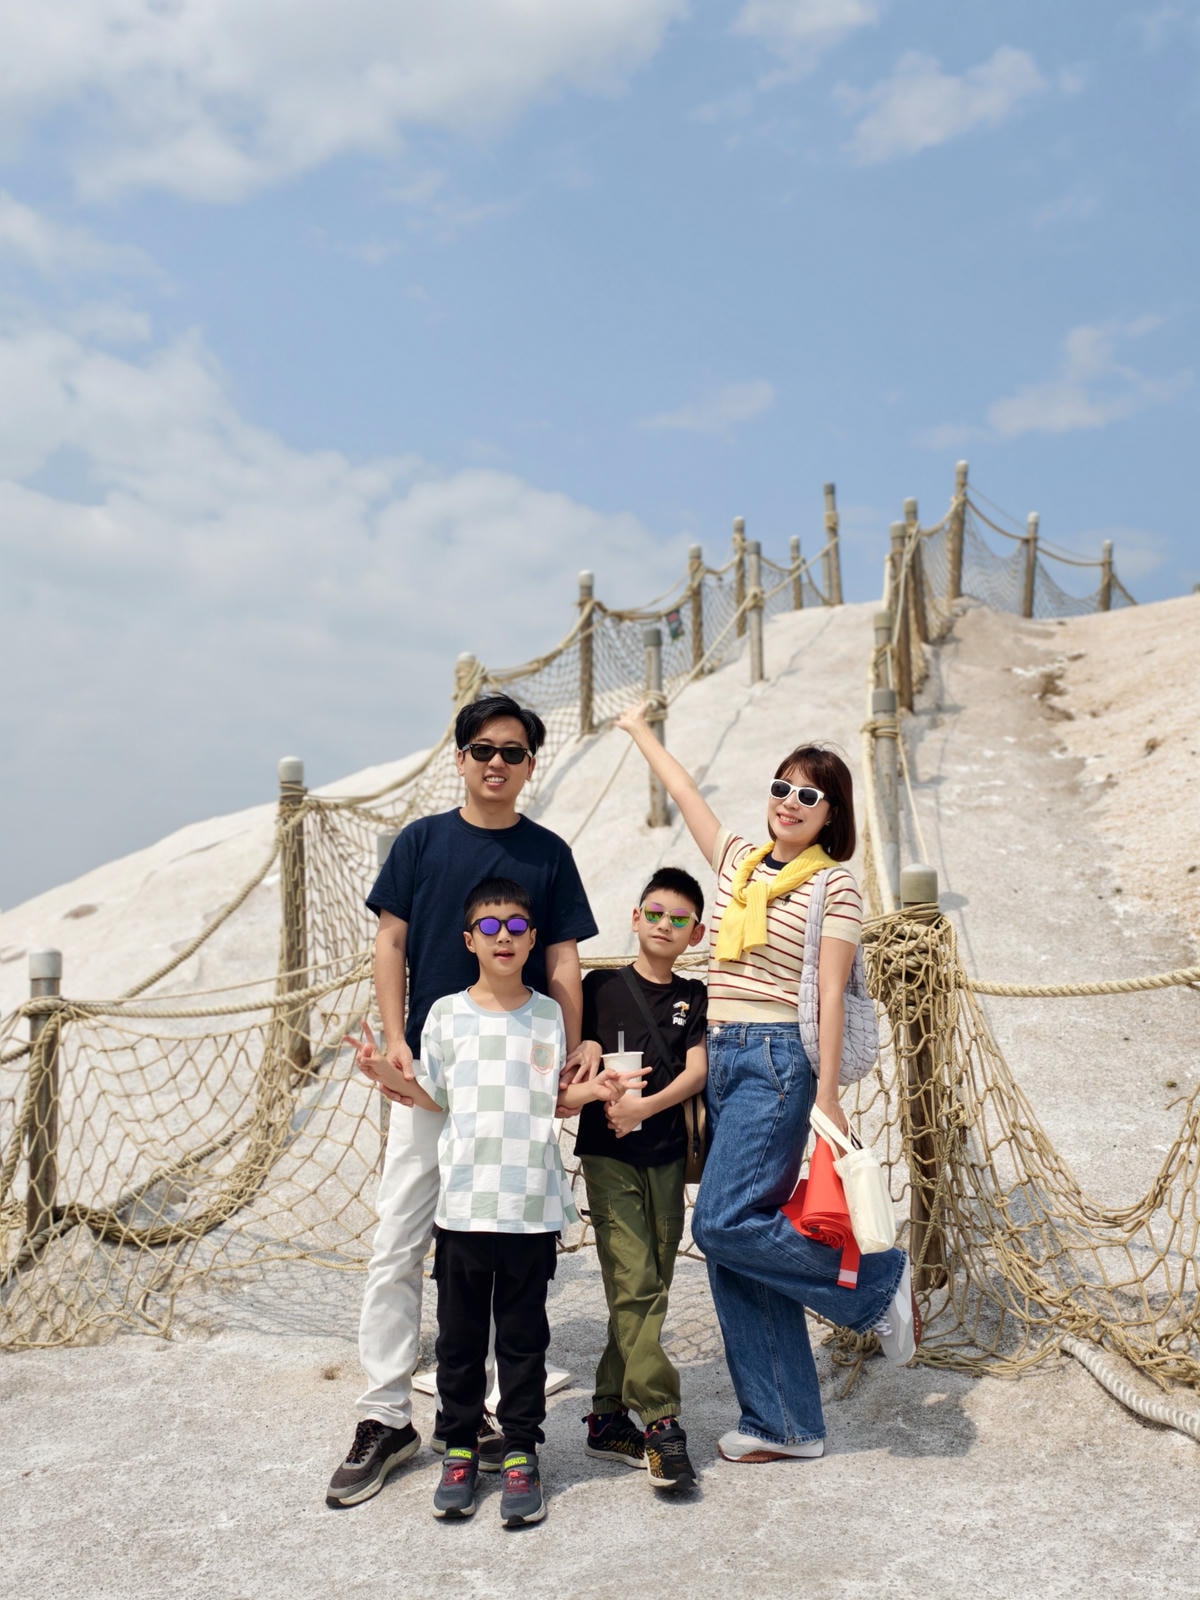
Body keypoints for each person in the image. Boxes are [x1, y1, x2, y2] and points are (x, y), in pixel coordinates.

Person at [614, 704, 919, 1463]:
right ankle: (783, 1423)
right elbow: (687, 794)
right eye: (781, 787)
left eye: (808, 795)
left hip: (780, 1059)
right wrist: (640, 730)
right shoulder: (738, 863)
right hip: (722, 1055)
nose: (789, 801)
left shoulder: (835, 887)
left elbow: (831, 992)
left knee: (721, 1223)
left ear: (831, 814)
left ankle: (876, 1281)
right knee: (734, 1247)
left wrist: (828, 1094)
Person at [325, 693, 599, 1510]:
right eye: (483, 749)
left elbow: (563, 960)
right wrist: (395, 1035)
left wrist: (571, 1050)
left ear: (530, 764)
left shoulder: (548, 853)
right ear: (460, 758)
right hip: (430, 1071)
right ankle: (385, 1414)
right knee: (399, 1240)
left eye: (512, 751)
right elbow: (391, 940)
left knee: (505, 1245)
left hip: (513, 1081)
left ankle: (492, 1421)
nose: (496, 763)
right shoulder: (421, 841)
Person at [364, 877, 617, 1526]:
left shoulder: (550, 1016)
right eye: (490, 927)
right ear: (468, 940)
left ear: (533, 940)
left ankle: (523, 1452)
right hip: (463, 1210)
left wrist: (593, 1094)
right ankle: (457, 1450)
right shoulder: (445, 1015)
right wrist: (388, 1075)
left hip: (530, 1208)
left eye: (516, 927)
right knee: (458, 1343)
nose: (504, 937)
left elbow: (556, 1100)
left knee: (524, 1343)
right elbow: (434, 1098)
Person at [574, 867, 708, 1490]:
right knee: (635, 1282)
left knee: (650, 1283)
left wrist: (643, 1108)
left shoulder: (694, 995)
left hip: (666, 1153)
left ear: (695, 934)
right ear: (634, 917)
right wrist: (591, 1066)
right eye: (654, 913)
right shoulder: (598, 986)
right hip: (607, 1153)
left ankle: (607, 1416)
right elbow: (576, 1056)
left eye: (678, 920)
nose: (664, 926)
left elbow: (697, 1071)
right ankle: (661, 1420)